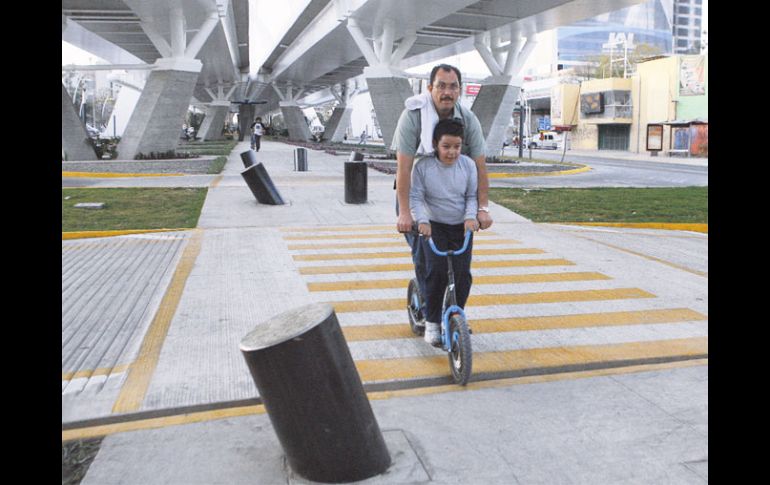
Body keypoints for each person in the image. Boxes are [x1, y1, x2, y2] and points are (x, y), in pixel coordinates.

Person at [392, 63, 492, 331]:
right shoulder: (412, 115)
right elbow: (403, 169)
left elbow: (480, 167)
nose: (447, 92)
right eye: (441, 86)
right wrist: (405, 213)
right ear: (430, 88)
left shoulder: (467, 119)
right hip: (417, 196)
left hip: (452, 199)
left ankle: (453, 316)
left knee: (460, 266)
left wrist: (482, 208)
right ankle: (430, 314)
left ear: (460, 90)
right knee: (429, 262)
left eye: (453, 86)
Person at [410, 118, 478, 346]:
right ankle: (432, 322)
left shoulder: (468, 166)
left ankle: (455, 315)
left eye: (457, 146)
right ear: (435, 144)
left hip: (461, 226)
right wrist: (422, 221)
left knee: (462, 275)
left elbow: (471, 196)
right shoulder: (423, 167)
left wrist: (470, 217)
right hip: (433, 225)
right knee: (437, 272)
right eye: (446, 146)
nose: (452, 152)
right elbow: (416, 197)